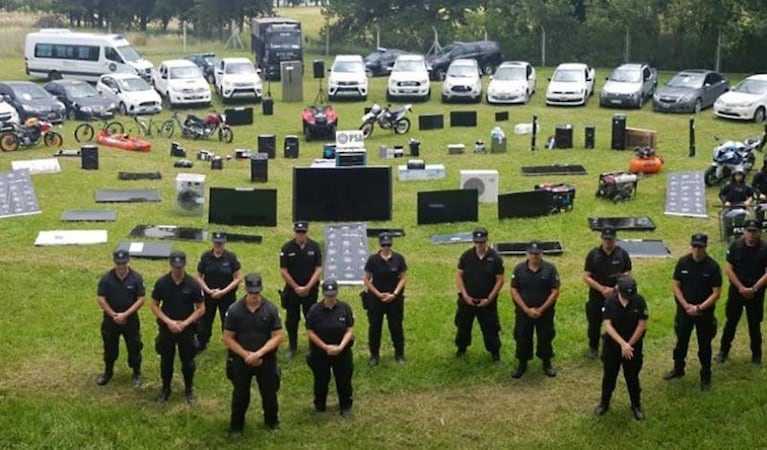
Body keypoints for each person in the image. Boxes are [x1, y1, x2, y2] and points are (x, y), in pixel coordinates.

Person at [223, 273, 284, 437]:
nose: (254, 296)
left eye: (257, 293)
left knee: (269, 394)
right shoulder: (234, 310)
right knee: (240, 395)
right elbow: (228, 337)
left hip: (266, 359)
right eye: (251, 293)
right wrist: (246, 355)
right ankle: (236, 426)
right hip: (241, 360)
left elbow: (278, 336)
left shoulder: (270, 309)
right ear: (245, 289)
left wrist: (259, 353)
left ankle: (272, 422)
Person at [664, 233, 722, 390]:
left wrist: (699, 308)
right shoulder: (683, 262)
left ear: (705, 247)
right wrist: (685, 305)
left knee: (705, 345)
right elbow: (676, 285)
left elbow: (716, 292)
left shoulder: (712, 267)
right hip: (684, 312)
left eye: (700, 247)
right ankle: (678, 369)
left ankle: (705, 376)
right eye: (694, 246)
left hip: (704, 313)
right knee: (681, 342)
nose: (697, 250)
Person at [150, 250, 205, 404]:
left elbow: (201, 308)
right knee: (166, 361)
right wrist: (168, 322)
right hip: (167, 328)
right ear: (170, 265)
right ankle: (165, 389)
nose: (177, 270)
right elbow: (154, 305)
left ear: (184, 265)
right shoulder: (162, 283)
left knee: (188, 362)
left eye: (180, 267)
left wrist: (185, 323)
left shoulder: (193, 284)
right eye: (175, 267)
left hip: (186, 329)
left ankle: (188, 389)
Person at [595, 275, 648, 421]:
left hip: (633, 347)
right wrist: (622, 344)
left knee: (632, 377)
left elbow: (642, 324)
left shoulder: (639, 301)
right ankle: (604, 403)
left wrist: (629, 345)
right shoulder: (610, 301)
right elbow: (608, 325)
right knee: (609, 377)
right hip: (613, 347)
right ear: (618, 290)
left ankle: (636, 405)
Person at [716, 219, 767, 367]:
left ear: (759, 233)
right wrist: (741, 288)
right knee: (731, 322)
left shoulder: (765, 248)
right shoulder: (735, 245)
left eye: (754, 231)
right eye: (749, 231)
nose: (751, 235)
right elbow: (729, 268)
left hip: (756, 293)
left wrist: (754, 289)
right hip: (737, 291)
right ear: (744, 232)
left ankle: (756, 356)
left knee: (754, 325)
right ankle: (723, 352)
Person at [509, 241, 560, 378]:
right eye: (531, 253)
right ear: (527, 254)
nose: (534, 256)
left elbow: (554, 291)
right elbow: (514, 290)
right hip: (523, 313)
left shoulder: (550, 269)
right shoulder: (519, 269)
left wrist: (541, 309)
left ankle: (546, 363)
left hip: (545, 313)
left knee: (545, 337)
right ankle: (522, 363)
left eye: (537, 254)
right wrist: (526, 309)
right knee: (522, 337)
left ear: (541, 254)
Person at [95, 249, 145, 387]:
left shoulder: (136, 278)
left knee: (134, 347)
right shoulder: (106, 279)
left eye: (123, 264)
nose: (121, 267)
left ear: (128, 261)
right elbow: (101, 298)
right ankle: (108, 372)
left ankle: (136, 373)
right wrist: (113, 314)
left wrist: (125, 314)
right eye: (118, 264)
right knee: (110, 348)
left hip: (130, 321)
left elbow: (140, 299)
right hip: (111, 321)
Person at [455, 226, 505, 363]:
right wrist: (465, 295)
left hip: (487, 301)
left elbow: (500, 279)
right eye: (477, 242)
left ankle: (495, 353)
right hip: (467, 300)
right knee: (463, 326)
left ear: (487, 240)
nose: (479, 245)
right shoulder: (466, 256)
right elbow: (459, 276)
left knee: (491, 328)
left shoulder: (495, 258)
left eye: (482, 242)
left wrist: (490, 298)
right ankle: (461, 348)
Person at [306, 278, 355, 417]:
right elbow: (310, 332)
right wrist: (325, 347)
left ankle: (345, 405)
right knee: (321, 380)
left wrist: (341, 346)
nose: (330, 298)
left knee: (344, 380)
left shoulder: (345, 308)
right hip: (320, 353)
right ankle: (320, 404)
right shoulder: (315, 310)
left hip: (342, 352)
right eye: (328, 295)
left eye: (333, 295)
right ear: (323, 294)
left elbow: (349, 329)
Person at [582, 227, 632, 358]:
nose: (608, 242)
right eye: (605, 239)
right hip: (597, 295)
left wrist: (615, 288)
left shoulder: (622, 254)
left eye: (610, 239)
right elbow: (586, 276)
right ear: (601, 239)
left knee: (616, 322)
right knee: (594, 323)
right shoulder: (593, 254)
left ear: (615, 239)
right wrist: (602, 289)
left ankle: (614, 345)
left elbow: (628, 273)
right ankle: (593, 347)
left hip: (616, 296)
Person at [362, 232, 408, 366]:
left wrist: (394, 294)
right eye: (384, 245)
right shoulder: (373, 259)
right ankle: (374, 355)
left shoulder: (398, 258)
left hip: (394, 299)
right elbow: (366, 279)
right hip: (376, 300)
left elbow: (403, 277)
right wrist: (378, 294)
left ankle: (399, 354)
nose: (386, 247)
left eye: (388, 245)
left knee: (396, 327)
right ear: (380, 245)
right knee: (375, 328)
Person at [280, 221, 323, 360]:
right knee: (292, 320)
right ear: (294, 232)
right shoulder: (287, 248)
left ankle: (312, 345)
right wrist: (296, 287)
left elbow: (318, 269)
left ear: (307, 232)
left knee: (311, 318)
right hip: (293, 291)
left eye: (303, 232)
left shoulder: (315, 246)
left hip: (310, 290)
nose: (301, 235)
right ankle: (292, 346)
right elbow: (284, 271)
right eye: (298, 232)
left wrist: (308, 287)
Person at [194, 231, 243, 354]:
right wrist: (208, 290)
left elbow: (238, 278)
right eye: (216, 243)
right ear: (213, 243)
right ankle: (202, 341)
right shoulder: (205, 257)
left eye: (220, 243)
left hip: (227, 296)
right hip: (209, 295)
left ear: (224, 243)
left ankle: (231, 343)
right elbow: (199, 276)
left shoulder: (231, 257)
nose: (218, 246)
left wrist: (224, 291)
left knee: (228, 320)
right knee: (205, 319)